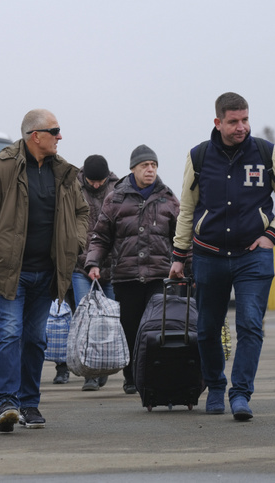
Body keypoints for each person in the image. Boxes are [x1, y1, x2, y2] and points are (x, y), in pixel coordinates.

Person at [168, 92, 275, 421]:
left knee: (250, 326)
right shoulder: (198, 156)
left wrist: (272, 234)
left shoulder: (266, 153)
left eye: (245, 119)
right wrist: (178, 255)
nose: (241, 126)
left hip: (252, 256)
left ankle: (241, 394)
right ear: (218, 122)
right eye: (233, 121)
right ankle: (215, 385)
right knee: (209, 328)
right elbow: (187, 211)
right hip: (209, 256)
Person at [0, 109, 89, 432]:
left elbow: (82, 211)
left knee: (35, 339)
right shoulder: (1, 168)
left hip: (47, 273)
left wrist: (76, 241)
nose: (60, 136)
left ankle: (30, 404)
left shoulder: (63, 172)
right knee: (10, 332)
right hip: (9, 271)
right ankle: (6, 403)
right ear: (36, 136)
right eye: (54, 131)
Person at [85, 145, 179, 395]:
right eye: (144, 166)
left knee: (157, 328)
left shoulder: (168, 198)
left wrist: (187, 266)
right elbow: (101, 236)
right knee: (130, 328)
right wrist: (93, 262)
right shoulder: (115, 198)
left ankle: (151, 374)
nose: (150, 170)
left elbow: (181, 238)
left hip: (159, 275)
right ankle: (130, 376)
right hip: (126, 277)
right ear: (133, 169)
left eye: (153, 165)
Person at [65, 154, 119, 391]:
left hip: (112, 266)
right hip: (80, 266)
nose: (95, 185)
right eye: (91, 181)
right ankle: (90, 373)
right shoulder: (71, 189)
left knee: (110, 320)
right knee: (86, 317)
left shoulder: (118, 190)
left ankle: (103, 365)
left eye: (100, 181)